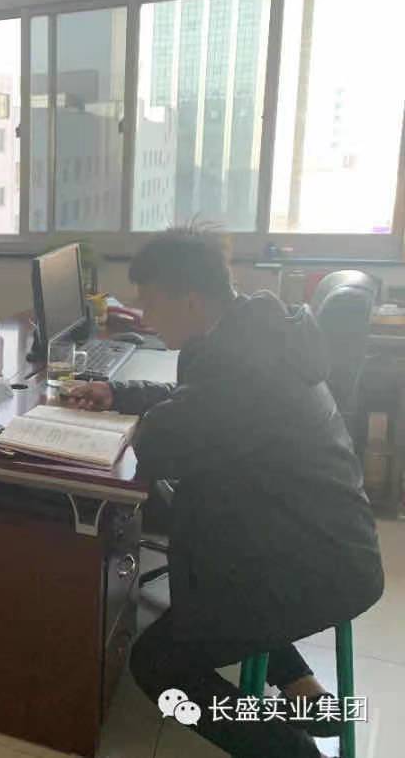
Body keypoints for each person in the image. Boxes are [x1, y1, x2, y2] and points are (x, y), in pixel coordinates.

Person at [66, 229, 383, 758]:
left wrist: (147, 422)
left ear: (190, 301)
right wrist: (117, 391)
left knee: (158, 667)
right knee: (198, 542)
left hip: (312, 566)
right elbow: (195, 401)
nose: (145, 316)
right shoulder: (255, 330)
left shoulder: (241, 367)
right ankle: (301, 689)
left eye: (151, 303)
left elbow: (162, 445)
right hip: (320, 538)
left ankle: (290, 751)